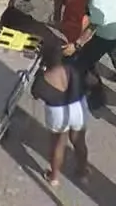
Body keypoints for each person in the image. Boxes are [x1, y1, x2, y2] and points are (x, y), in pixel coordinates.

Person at [64, 0, 116, 104]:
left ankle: (96, 97)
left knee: (85, 61)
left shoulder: (97, 1)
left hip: (106, 35)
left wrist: (77, 44)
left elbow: (94, 26)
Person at [31, 43, 90, 187]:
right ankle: (82, 172)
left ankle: (54, 176)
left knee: (58, 144)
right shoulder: (72, 69)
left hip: (57, 111)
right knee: (79, 141)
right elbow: (87, 82)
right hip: (78, 107)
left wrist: (40, 71)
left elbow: (36, 94)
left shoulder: (42, 79)